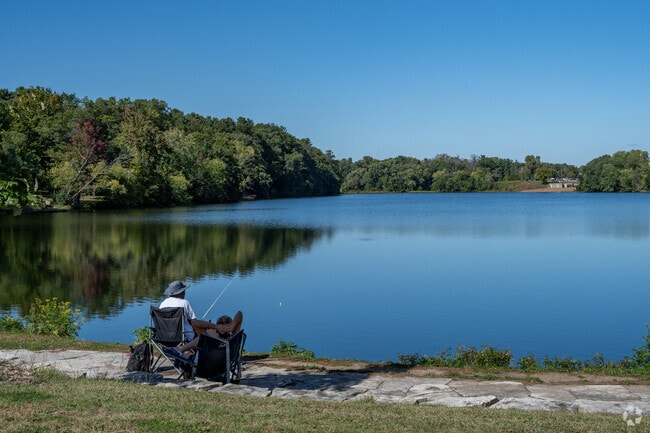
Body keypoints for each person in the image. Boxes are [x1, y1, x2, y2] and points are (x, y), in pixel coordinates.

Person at [160, 280, 243, 358]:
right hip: (183, 336)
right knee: (203, 334)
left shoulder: (163, 304)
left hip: (164, 337)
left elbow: (195, 323)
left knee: (203, 332)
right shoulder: (184, 303)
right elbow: (194, 322)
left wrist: (214, 326)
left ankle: (181, 351)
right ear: (182, 292)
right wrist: (229, 326)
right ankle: (184, 352)